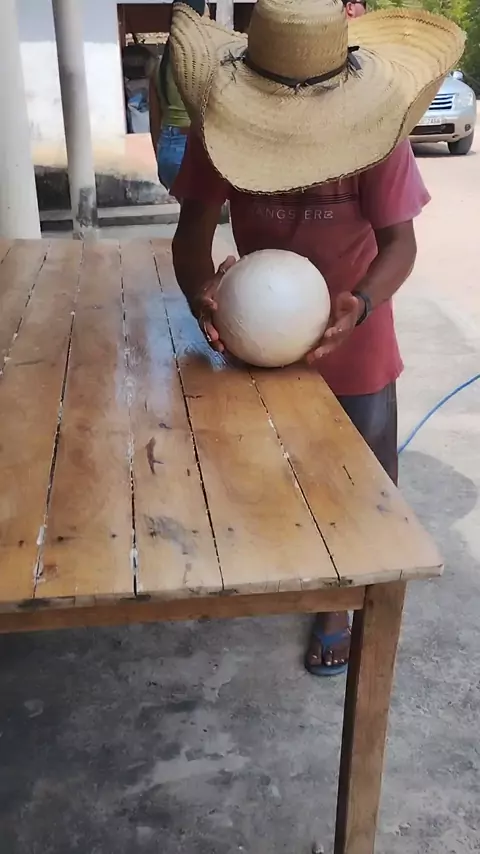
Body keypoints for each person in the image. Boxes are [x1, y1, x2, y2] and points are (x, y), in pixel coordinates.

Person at [169, 0, 464, 675]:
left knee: (363, 484)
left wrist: (361, 303)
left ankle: (339, 602)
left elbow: (400, 245)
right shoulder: (223, 127)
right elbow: (192, 235)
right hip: (257, 337)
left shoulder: (376, 131)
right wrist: (202, 294)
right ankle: (290, 565)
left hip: (353, 336)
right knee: (269, 470)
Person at [148, 0, 207, 193]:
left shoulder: (159, 65)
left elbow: (154, 119)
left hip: (167, 150)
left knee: (188, 209)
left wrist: (160, 155)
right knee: (201, 212)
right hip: (193, 149)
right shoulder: (204, 64)